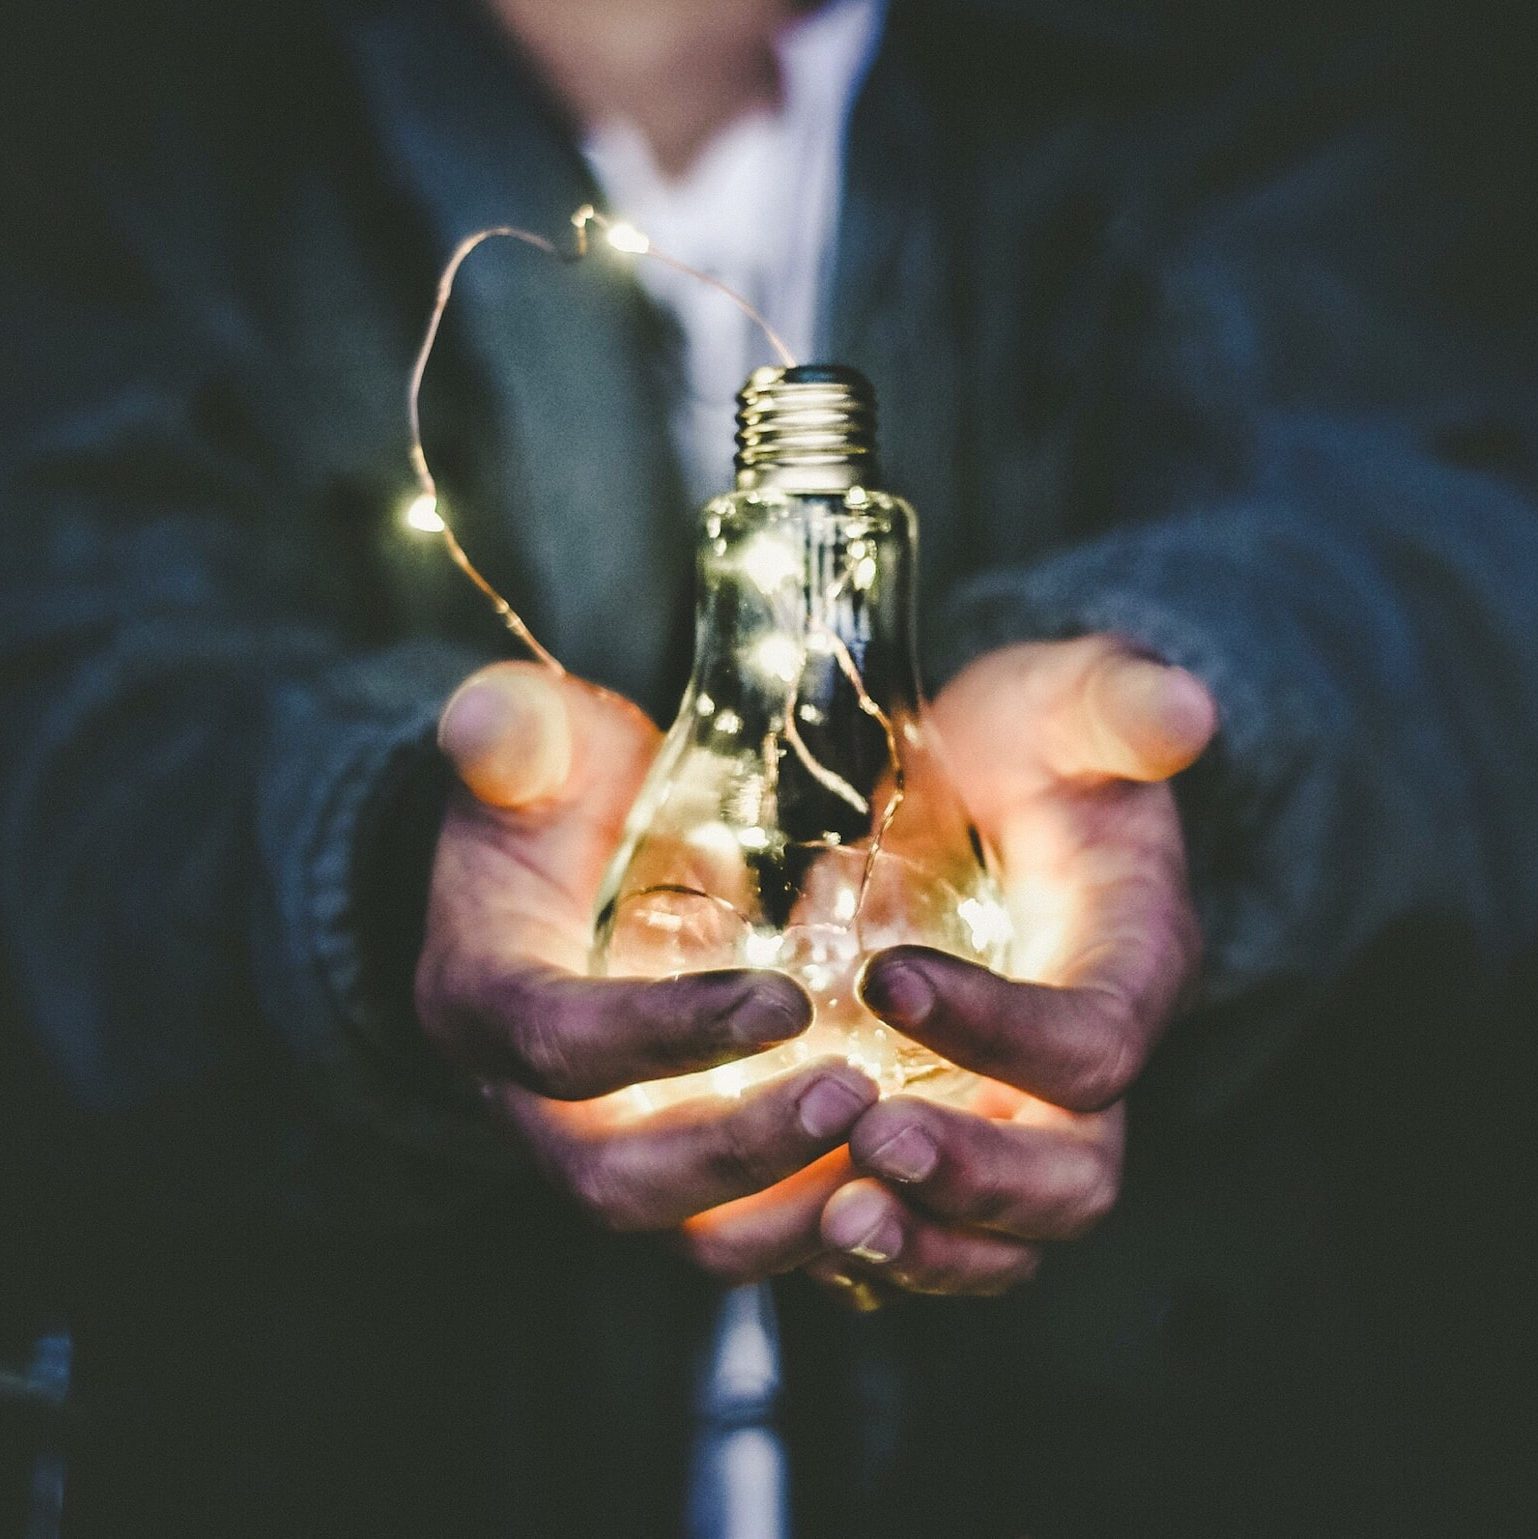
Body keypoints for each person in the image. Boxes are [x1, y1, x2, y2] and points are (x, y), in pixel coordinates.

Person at [2, 0, 1536, 1533]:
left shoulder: (1247, 72)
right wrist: (385, 865)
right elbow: (65, 705)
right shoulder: (146, 107)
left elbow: (1452, 557)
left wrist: (1190, 750)